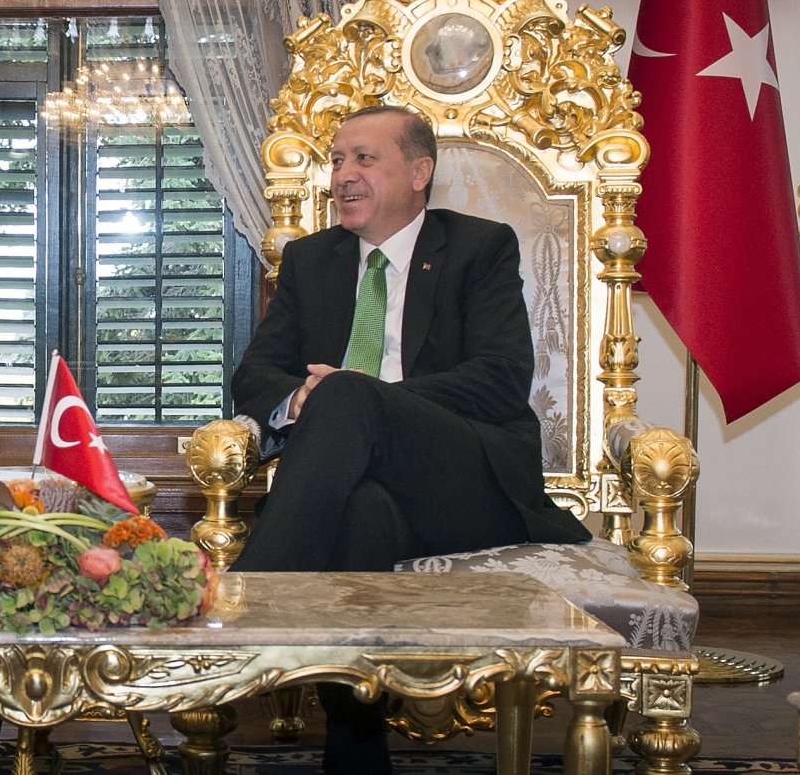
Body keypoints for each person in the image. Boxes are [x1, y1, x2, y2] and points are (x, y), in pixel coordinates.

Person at [229, 105, 587, 775]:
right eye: (337, 159)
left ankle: (243, 611)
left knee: (346, 393)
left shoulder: (480, 248)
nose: (342, 175)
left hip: (467, 482)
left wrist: (362, 400)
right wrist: (305, 397)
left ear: (419, 173)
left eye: (364, 158)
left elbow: (501, 380)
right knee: (362, 513)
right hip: (354, 488)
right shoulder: (312, 259)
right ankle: (355, 750)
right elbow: (253, 375)